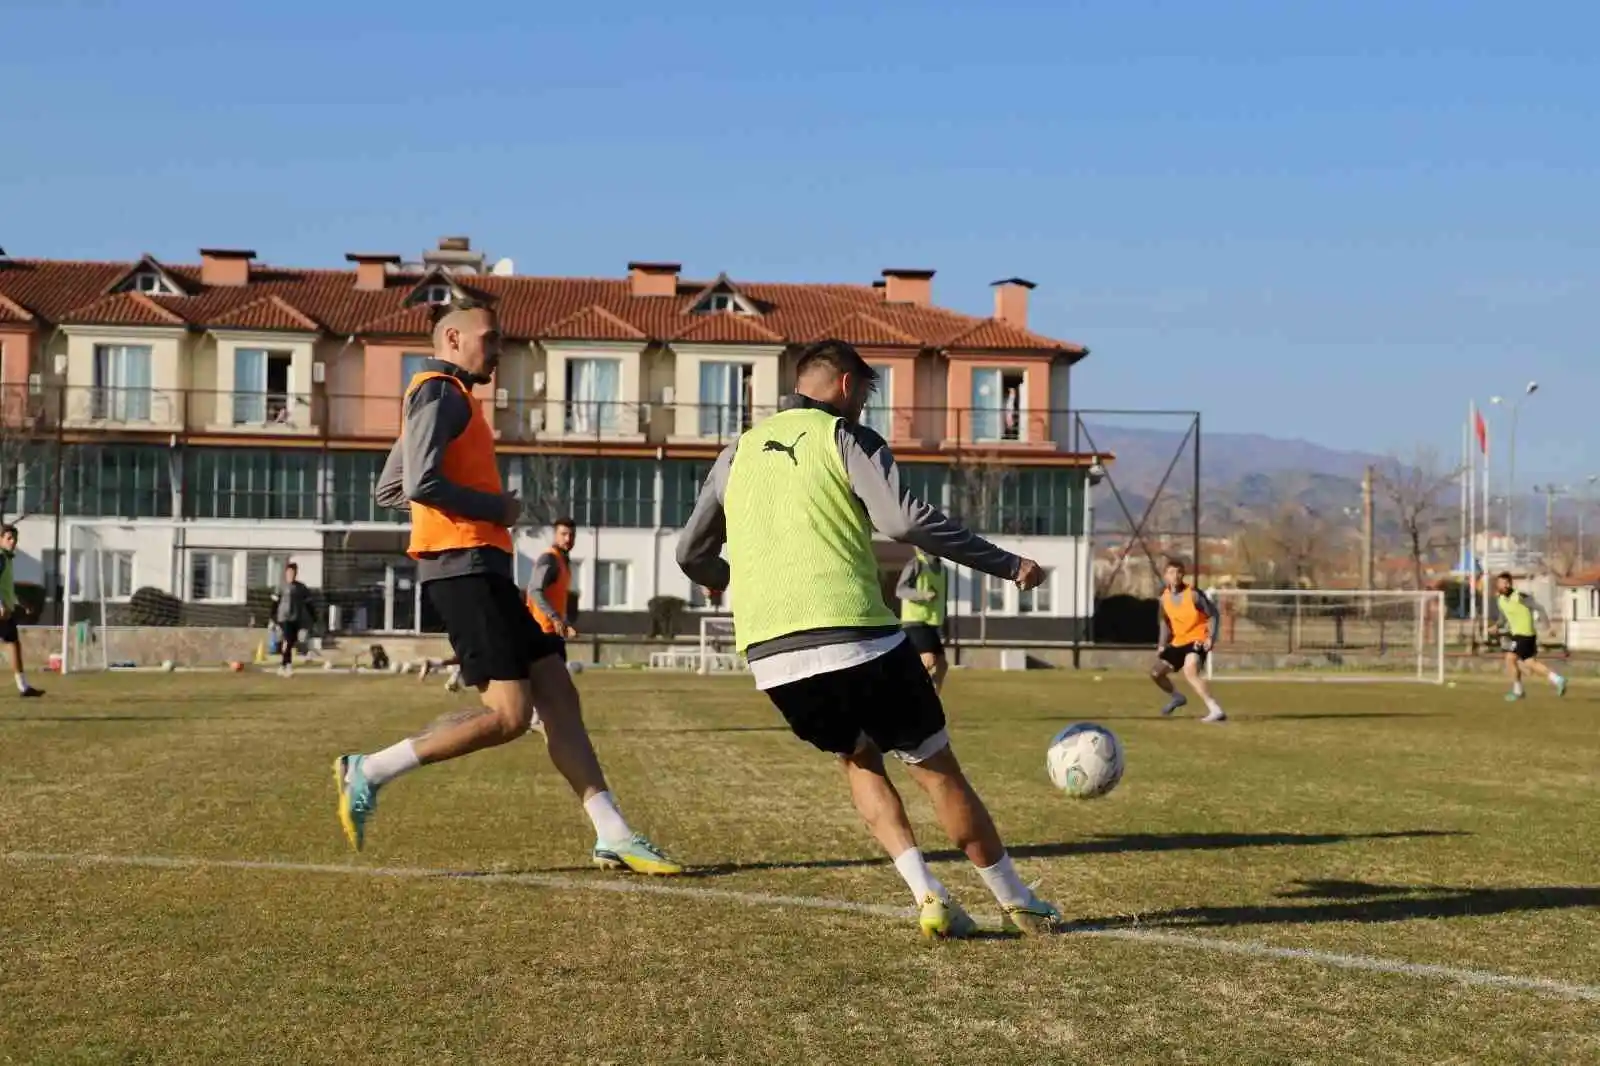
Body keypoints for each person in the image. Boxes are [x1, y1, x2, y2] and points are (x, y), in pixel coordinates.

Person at [677, 338, 1062, 939]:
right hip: (857, 636)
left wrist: (728, 580)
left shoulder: (736, 452)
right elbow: (903, 521)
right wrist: (1007, 564)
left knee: (857, 758)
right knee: (936, 769)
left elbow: (690, 552)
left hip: (773, 656)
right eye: (868, 395)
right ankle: (1017, 901)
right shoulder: (846, 438)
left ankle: (928, 896)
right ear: (848, 387)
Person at [335, 300, 680, 875]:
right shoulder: (439, 391)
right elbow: (419, 482)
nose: (498, 352)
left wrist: (478, 514)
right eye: (491, 340)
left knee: (559, 696)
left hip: (483, 566)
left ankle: (612, 832)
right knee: (509, 716)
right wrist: (496, 507)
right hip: (463, 570)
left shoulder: (447, 396)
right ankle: (367, 770)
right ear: (451, 338)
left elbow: (392, 487)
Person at [1152, 558, 1225, 723]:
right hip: (1179, 641)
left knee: (1190, 671)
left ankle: (1215, 709)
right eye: (1171, 572)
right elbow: (1164, 622)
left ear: (1183, 574)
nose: (1175, 576)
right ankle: (1177, 698)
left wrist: (1210, 638)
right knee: (1156, 673)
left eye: (1179, 572)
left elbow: (1213, 614)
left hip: (1197, 639)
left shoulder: (1193, 594)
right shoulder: (1164, 598)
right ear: (1165, 576)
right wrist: (1162, 644)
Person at [1489, 571, 1566, 701]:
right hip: (1519, 636)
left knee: (1510, 658)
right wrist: (1496, 626)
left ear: (1510, 584)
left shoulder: (1520, 596)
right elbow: (1503, 619)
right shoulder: (1501, 600)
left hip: (1524, 635)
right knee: (1531, 663)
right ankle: (1558, 679)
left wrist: (1548, 627)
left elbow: (1539, 608)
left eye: (1505, 583)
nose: (1503, 586)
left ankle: (1518, 692)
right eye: (1501, 583)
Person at [896, 548, 949, 691]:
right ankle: (904, 690)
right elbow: (900, 590)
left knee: (942, 665)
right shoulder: (915, 563)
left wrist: (945, 627)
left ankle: (931, 701)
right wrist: (923, 595)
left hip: (932, 623)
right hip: (914, 621)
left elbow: (943, 600)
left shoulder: (943, 569)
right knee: (928, 660)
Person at [0, 525, 43, 698]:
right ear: (0, 539)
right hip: (1, 610)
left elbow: (7, 586)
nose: (13, 542)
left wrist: (21, 603)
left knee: (14, 644)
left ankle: (23, 687)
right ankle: (23, 687)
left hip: (6, 610)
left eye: (15, 539)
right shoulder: (1, 557)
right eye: (9, 538)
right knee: (12, 644)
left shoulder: (8, 559)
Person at [527, 517, 579, 641]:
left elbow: (557, 599)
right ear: (555, 535)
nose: (568, 539)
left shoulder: (563, 562)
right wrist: (554, 617)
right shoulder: (549, 559)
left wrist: (564, 624)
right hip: (541, 631)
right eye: (564, 534)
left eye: (571, 535)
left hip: (554, 632)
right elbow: (534, 591)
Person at [270, 561, 315, 677]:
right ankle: (287, 665)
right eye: (289, 573)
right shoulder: (280, 587)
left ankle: (283, 665)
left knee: (291, 641)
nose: (291, 575)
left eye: (293, 573)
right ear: (286, 573)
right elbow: (274, 603)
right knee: (288, 640)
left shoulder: (301, 587)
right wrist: (272, 617)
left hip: (296, 618)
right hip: (283, 617)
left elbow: (309, 603)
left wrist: (314, 616)